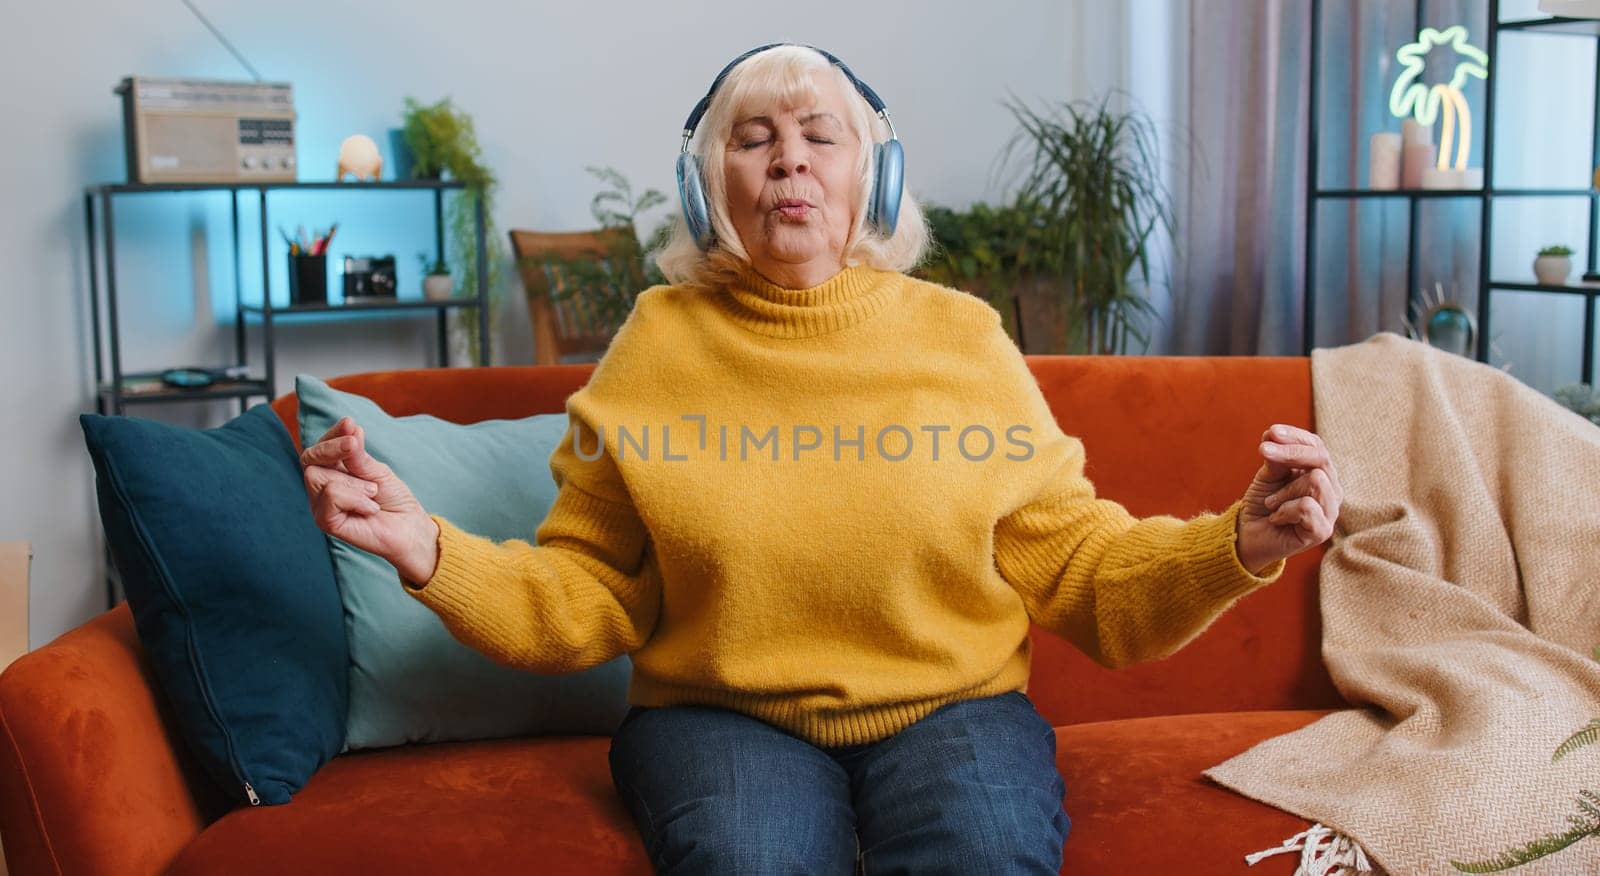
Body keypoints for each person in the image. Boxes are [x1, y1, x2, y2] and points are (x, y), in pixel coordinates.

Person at [299, 44, 1343, 875]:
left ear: (873, 177)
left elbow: (1083, 574)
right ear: (711, 187)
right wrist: (425, 546)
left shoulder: (961, 339)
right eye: (753, 139)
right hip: (718, 718)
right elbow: (588, 597)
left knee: (984, 855)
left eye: (819, 137)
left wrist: (1234, 545)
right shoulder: (657, 346)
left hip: (953, 710)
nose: (789, 159)